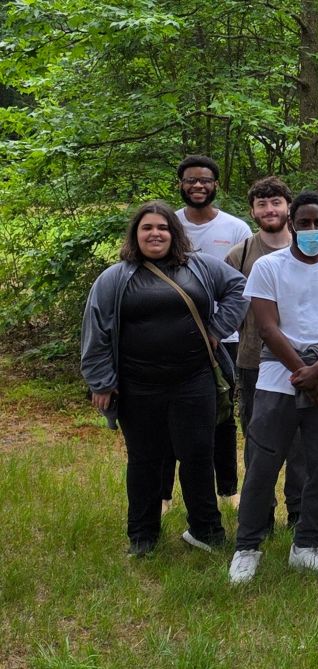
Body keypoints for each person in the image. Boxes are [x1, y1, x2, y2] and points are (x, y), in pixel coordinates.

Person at [81, 200, 248, 557]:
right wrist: (100, 381)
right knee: (144, 459)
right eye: (147, 228)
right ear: (136, 234)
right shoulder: (114, 278)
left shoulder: (200, 267)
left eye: (162, 227)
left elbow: (239, 288)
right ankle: (142, 536)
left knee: (198, 455)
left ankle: (206, 530)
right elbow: (96, 331)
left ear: (174, 233)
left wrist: (217, 329)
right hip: (138, 386)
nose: (155, 234)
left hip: (194, 381)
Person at [228, 191, 318, 584]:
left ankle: (307, 546)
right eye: (304, 223)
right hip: (277, 376)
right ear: (291, 224)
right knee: (263, 464)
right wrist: (304, 372)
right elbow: (267, 327)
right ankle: (247, 548)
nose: (312, 230)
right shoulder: (268, 267)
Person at [162, 155, 252, 512]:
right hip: (173, 338)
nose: (198, 186)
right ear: (180, 184)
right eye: (190, 180)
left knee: (223, 413)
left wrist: (218, 329)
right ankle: (163, 495)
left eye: (205, 180)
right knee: (167, 415)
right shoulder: (169, 225)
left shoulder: (236, 229)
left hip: (223, 340)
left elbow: (243, 288)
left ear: (216, 185)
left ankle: (228, 489)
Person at [225, 176, 305, 531]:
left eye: (276, 202)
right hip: (253, 362)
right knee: (259, 443)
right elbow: (224, 305)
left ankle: (299, 515)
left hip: (303, 362)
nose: (270, 209)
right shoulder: (239, 254)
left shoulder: (308, 249)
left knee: (301, 442)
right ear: (252, 212)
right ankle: (261, 516)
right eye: (262, 204)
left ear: (289, 207)